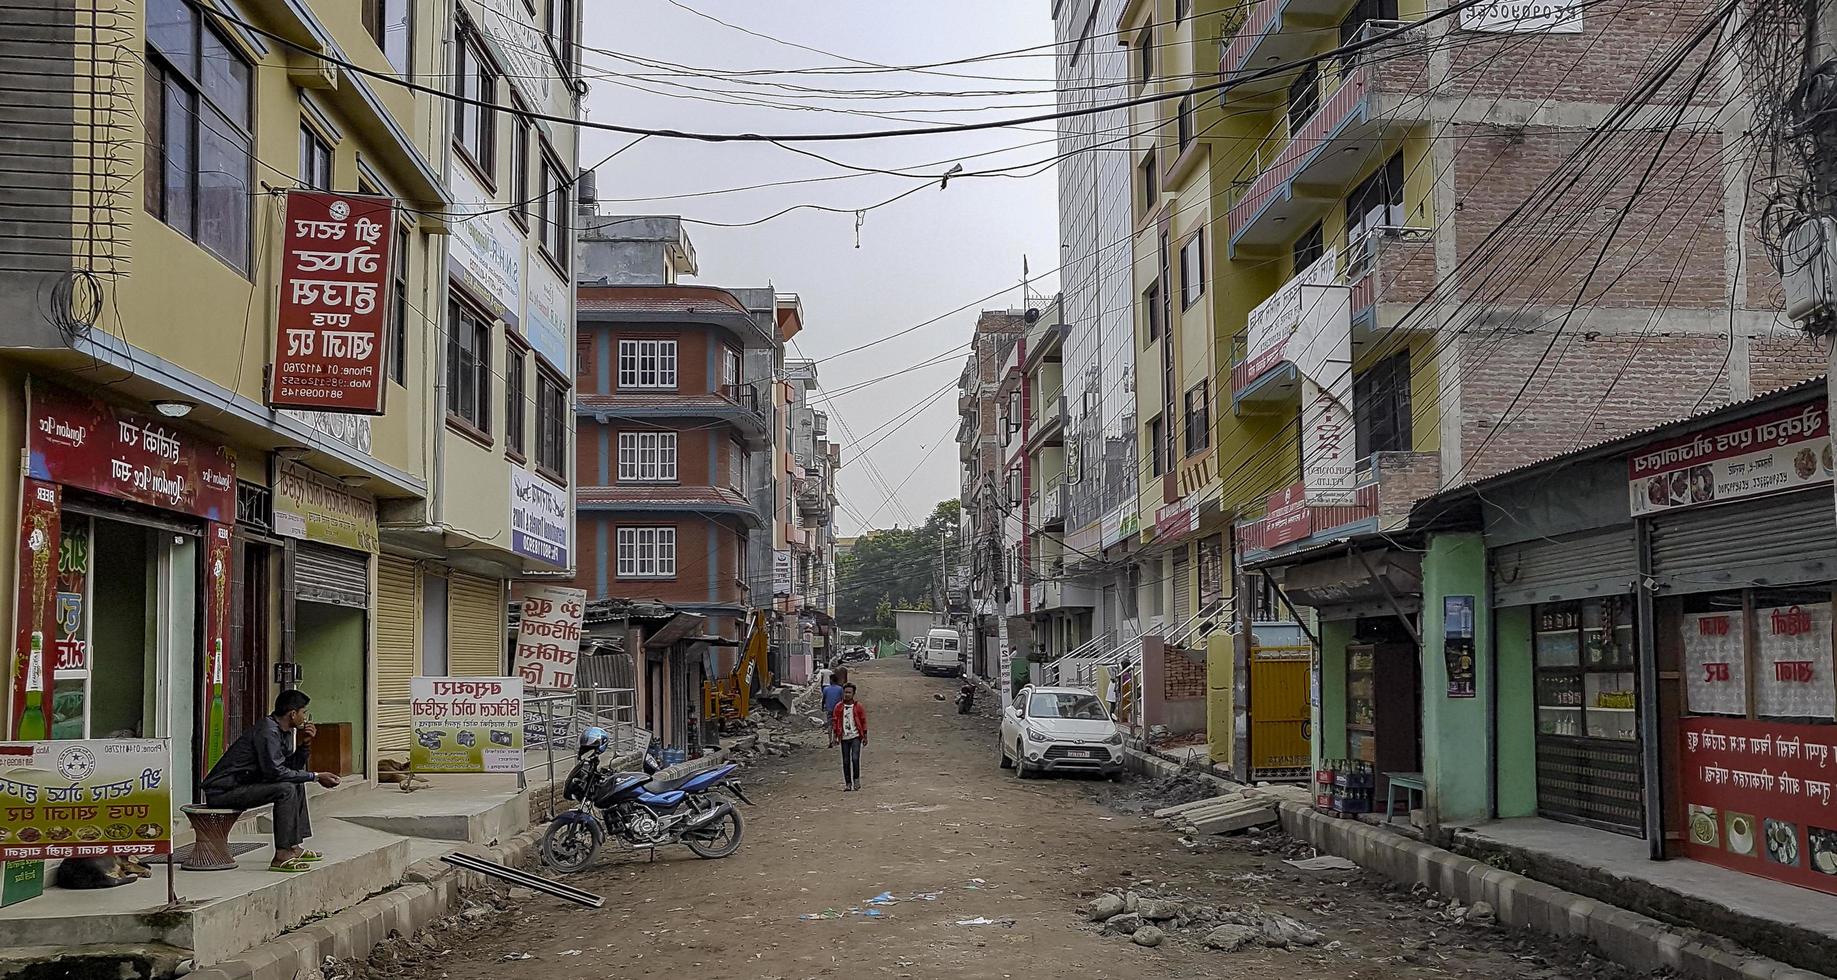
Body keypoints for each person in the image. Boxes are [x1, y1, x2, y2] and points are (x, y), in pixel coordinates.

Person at [199, 689, 340, 872]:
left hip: (246, 785)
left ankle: (293, 847)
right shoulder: (267, 731)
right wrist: (316, 776)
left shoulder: (285, 731)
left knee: (295, 783)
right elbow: (276, 772)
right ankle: (282, 855)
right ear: (292, 714)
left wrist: (305, 744)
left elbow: (291, 768)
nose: (305, 717)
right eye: (303, 712)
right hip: (223, 792)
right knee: (286, 789)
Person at [829, 683, 868, 791]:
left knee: (855, 759)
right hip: (844, 737)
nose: (847, 695)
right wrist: (835, 737)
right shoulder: (838, 707)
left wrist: (864, 736)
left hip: (856, 736)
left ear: (853, 694)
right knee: (846, 761)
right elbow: (835, 722)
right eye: (845, 692)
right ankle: (848, 783)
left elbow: (863, 721)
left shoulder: (858, 707)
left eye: (849, 692)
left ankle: (856, 780)